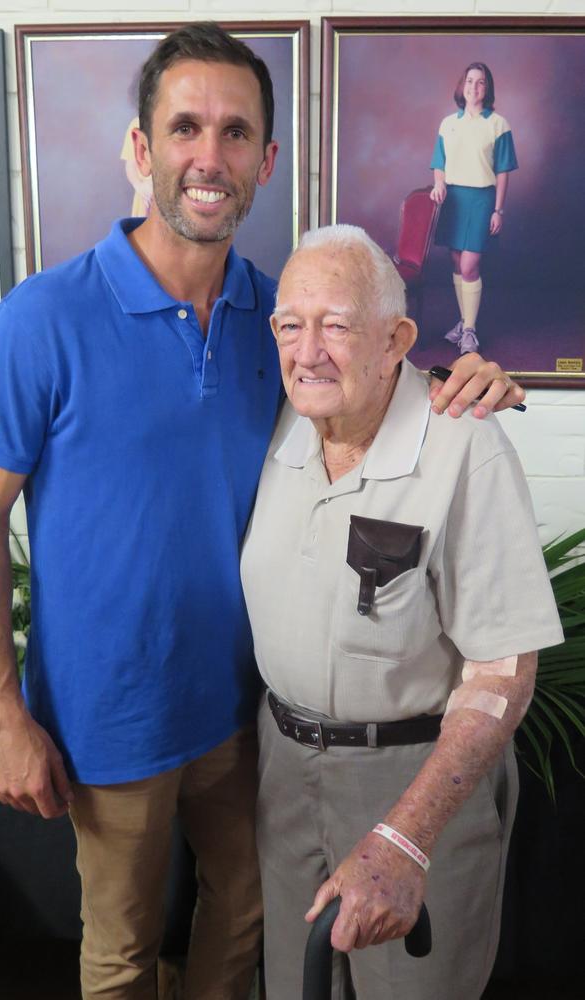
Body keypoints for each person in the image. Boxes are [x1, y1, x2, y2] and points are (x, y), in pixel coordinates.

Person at [0, 22, 526, 1000]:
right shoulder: (43, 318)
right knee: (122, 947)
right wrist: (2, 713)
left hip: (246, 711)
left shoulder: (278, 315)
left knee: (247, 913)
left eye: (232, 132)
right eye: (182, 129)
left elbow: (367, 382)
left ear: (264, 158)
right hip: (107, 714)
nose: (206, 157)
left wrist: (457, 378)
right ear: (141, 150)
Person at [240, 225, 562, 1000]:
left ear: (398, 340)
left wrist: (403, 838)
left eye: (338, 325)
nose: (307, 349)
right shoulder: (278, 424)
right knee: (296, 986)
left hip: (412, 782)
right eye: (291, 323)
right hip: (282, 769)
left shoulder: (463, 446)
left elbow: (501, 670)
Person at [430, 62, 518, 355]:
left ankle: (469, 331)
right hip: (454, 199)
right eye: (470, 81)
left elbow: (503, 170)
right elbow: (439, 164)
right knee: (456, 262)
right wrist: (439, 184)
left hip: (482, 200)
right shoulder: (447, 123)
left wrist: (498, 210)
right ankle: (463, 321)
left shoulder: (498, 124)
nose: (474, 87)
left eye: (480, 83)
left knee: (469, 265)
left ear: (487, 89)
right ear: (462, 85)